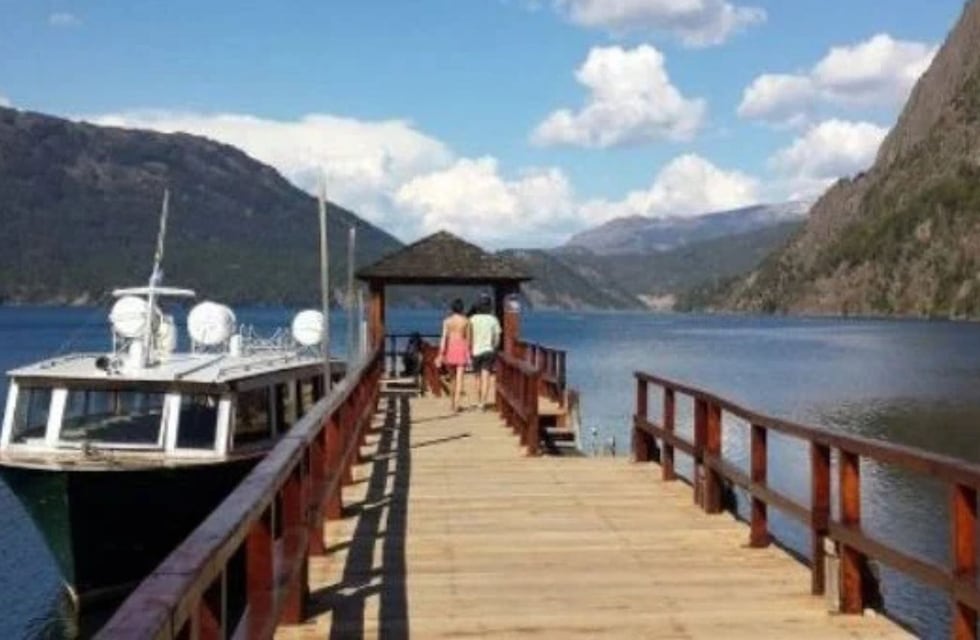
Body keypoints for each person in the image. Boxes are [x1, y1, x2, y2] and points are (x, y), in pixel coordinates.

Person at [436, 298, 470, 412]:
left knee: (452, 378)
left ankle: (452, 402)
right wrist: (468, 353)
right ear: (462, 308)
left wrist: (441, 354)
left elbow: (443, 337)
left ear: (452, 308)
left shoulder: (447, 321)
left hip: (450, 348)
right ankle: (457, 404)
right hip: (461, 348)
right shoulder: (466, 321)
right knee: (460, 378)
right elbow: (468, 338)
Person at [469, 294, 501, 411]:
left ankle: (478, 401)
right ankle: (483, 402)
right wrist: (495, 347)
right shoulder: (493, 319)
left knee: (477, 377)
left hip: (475, 351)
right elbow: (497, 337)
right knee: (486, 376)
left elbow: (469, 336)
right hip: (488, 350)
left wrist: (469, 349)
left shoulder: (472, 319)